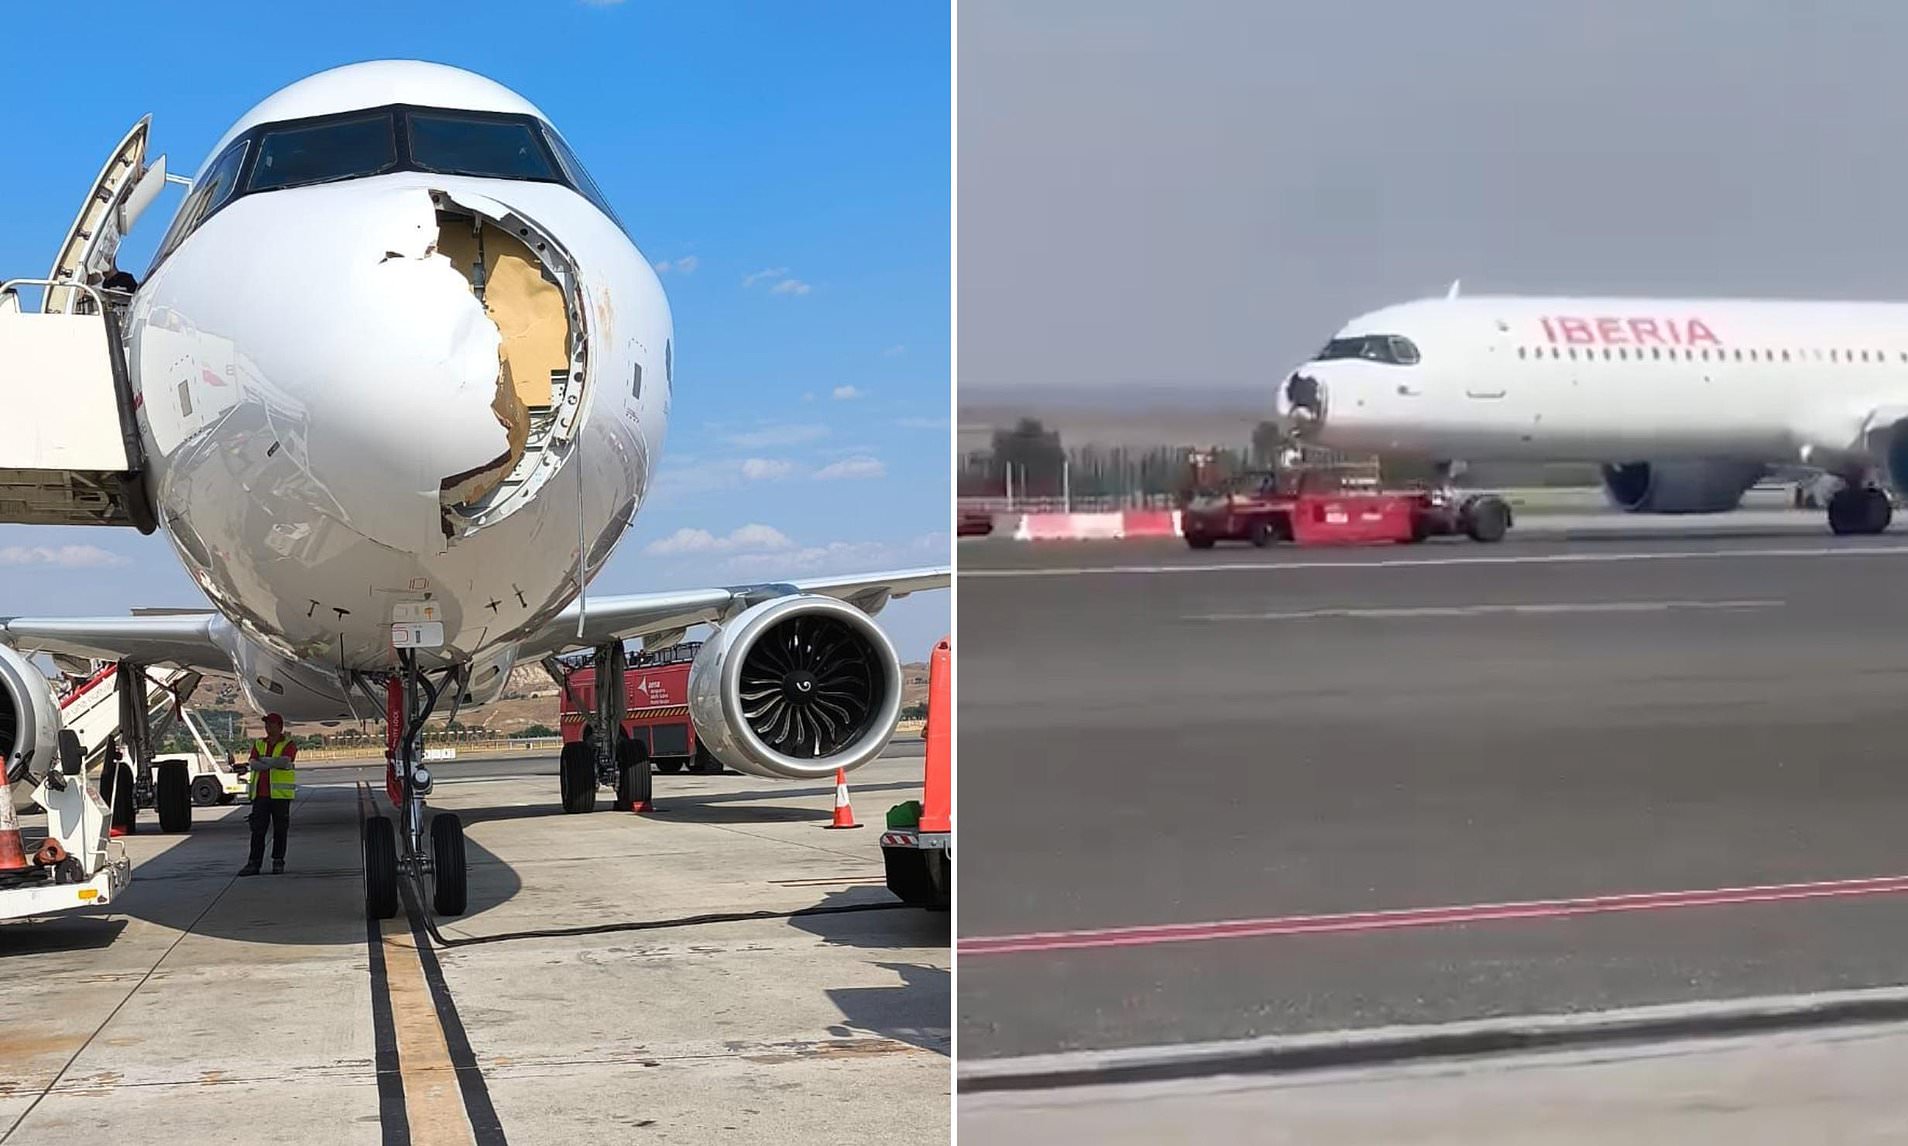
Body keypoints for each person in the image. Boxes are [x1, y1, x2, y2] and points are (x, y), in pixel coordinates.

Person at [238, 713, 297, 876]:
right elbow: (253, 764)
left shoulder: (288, 743)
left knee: (280, 830)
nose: (267, 728)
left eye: (271, 724)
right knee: (258, 831)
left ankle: (278, 861)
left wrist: (265, 761)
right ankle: (253, 863)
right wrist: (271, 763)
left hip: (280, 795)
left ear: (279, 726)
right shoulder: (259, 743)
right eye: (266, 725)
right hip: (261, 795)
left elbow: (285, 762)